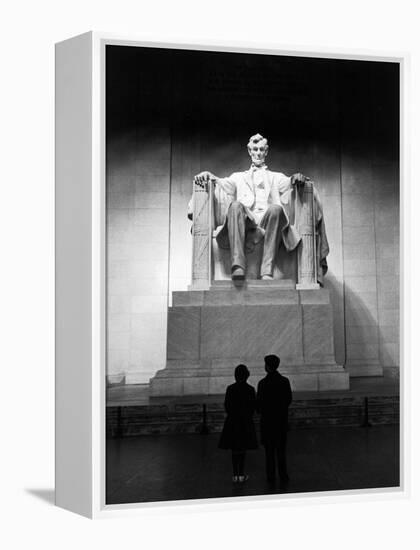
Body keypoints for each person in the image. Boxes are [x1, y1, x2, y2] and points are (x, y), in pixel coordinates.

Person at [193, 133, 314, 281]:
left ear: (266, 151)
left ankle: (267, 271)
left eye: (261, 149)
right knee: (235, 205)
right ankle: (238, 266)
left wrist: (296, 178)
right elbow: (223, 183)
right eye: (255, 149)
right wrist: (209, 175)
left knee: (276, 209)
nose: (258, 153)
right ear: (249, 151)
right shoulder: (238, 177)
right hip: (247, 221)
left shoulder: (275, 176)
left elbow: (289, 181)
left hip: (268, 220)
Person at [218, 364, 258, 483]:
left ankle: (235, 474)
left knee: (235, 449)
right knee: (243, 449)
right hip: (245, 422)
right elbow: (252, 407)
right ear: (247, 376)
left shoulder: (230, 389)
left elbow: (227, 406)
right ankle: (241, 474)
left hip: (233, 422)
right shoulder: (250, 389)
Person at [256, 354, 292, 484]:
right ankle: (283, 475)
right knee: (281, 451)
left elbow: (258, 405)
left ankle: (270, 476)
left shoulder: (262, 384)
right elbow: (288, 400)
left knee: (269, 453)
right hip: (281, 421)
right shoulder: (284, 381)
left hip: (267, 423)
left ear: (267, 367)